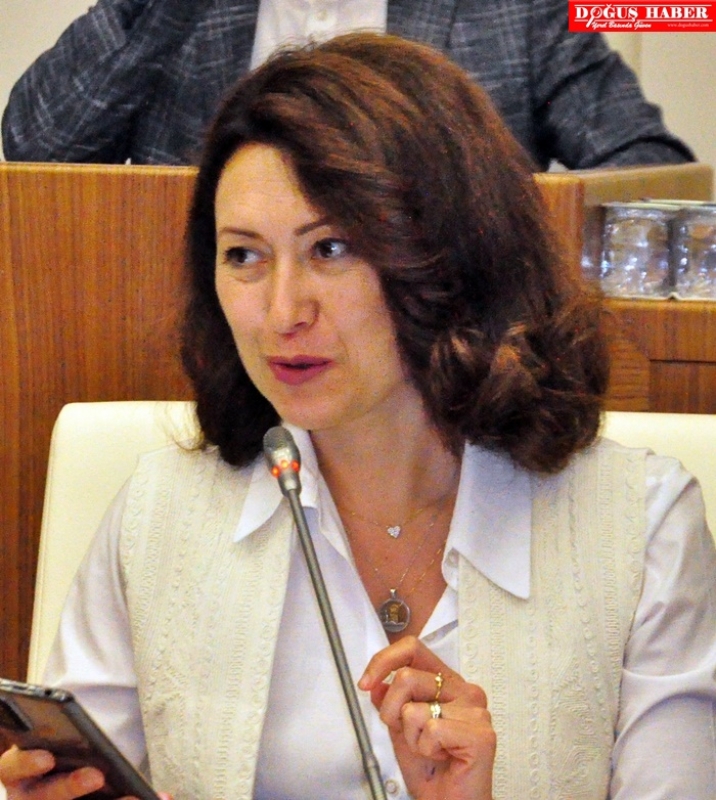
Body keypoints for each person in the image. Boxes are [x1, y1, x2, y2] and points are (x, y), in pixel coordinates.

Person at [2, 32, 715, 800]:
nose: (282, 312)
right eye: (244, 255)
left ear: (449, 254)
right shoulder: (157, 515)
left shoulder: (639, 530)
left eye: (331, 248)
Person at [1, 0, 695, 170]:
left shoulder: (513, 11)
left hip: (446, 378)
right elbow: (37, 148)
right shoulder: (180, 14)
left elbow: (646, 173)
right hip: (204, 359)